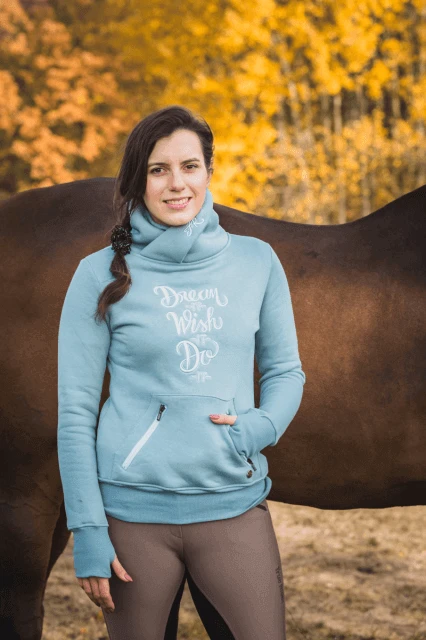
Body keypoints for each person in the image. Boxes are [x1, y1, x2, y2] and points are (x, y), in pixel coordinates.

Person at [57, 105, 306, 639]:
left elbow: (286, 372)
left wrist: (257, 430)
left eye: (189, 166)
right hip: (131, 520)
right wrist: (88, 529)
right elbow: (75, 414)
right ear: (137, 181)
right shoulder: (96, 274)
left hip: (233, 507)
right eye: (158, 169)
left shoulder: (257, 261)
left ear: (208, 172)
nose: (176, 184)